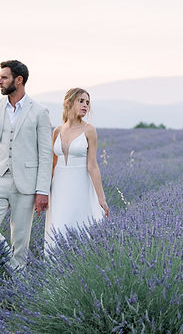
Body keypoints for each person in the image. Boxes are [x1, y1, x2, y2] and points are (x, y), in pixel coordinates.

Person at [0, 60, 52, 270]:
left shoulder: (39, 112)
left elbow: (45, 154)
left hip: (25, 184)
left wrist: (42, 190)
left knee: (21, 244)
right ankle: (13, 265)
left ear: (19, 80)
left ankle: (17, 291)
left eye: (4, 77)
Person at [44, 87, 109, 252]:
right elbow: (52, 165)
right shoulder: (57, 131)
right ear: (68, 103)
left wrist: (101, 199)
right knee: (58, 227)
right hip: (59, 188)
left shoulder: (89, 130)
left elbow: (93, 166)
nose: (85, 105)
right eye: (81, 101)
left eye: (87, 102)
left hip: (80, 186)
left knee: (81, 226)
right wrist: (43, 193)